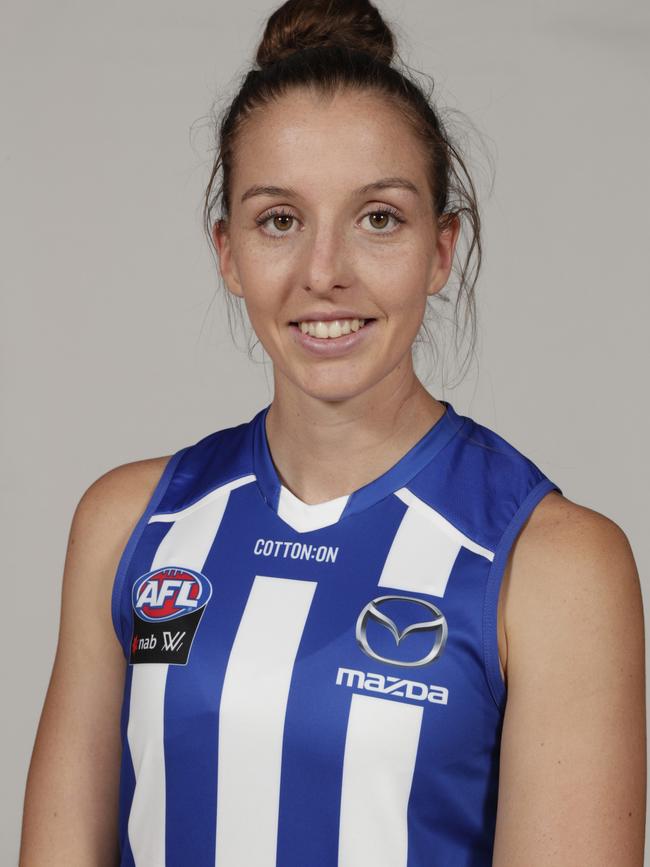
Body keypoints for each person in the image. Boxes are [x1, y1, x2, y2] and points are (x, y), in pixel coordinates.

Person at [19, 0, 646, 864]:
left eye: (378, 217)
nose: (325, 272)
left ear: (441, 248)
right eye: (280, 219)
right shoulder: (132, 524)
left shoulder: (556, 566)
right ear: (228, 253)